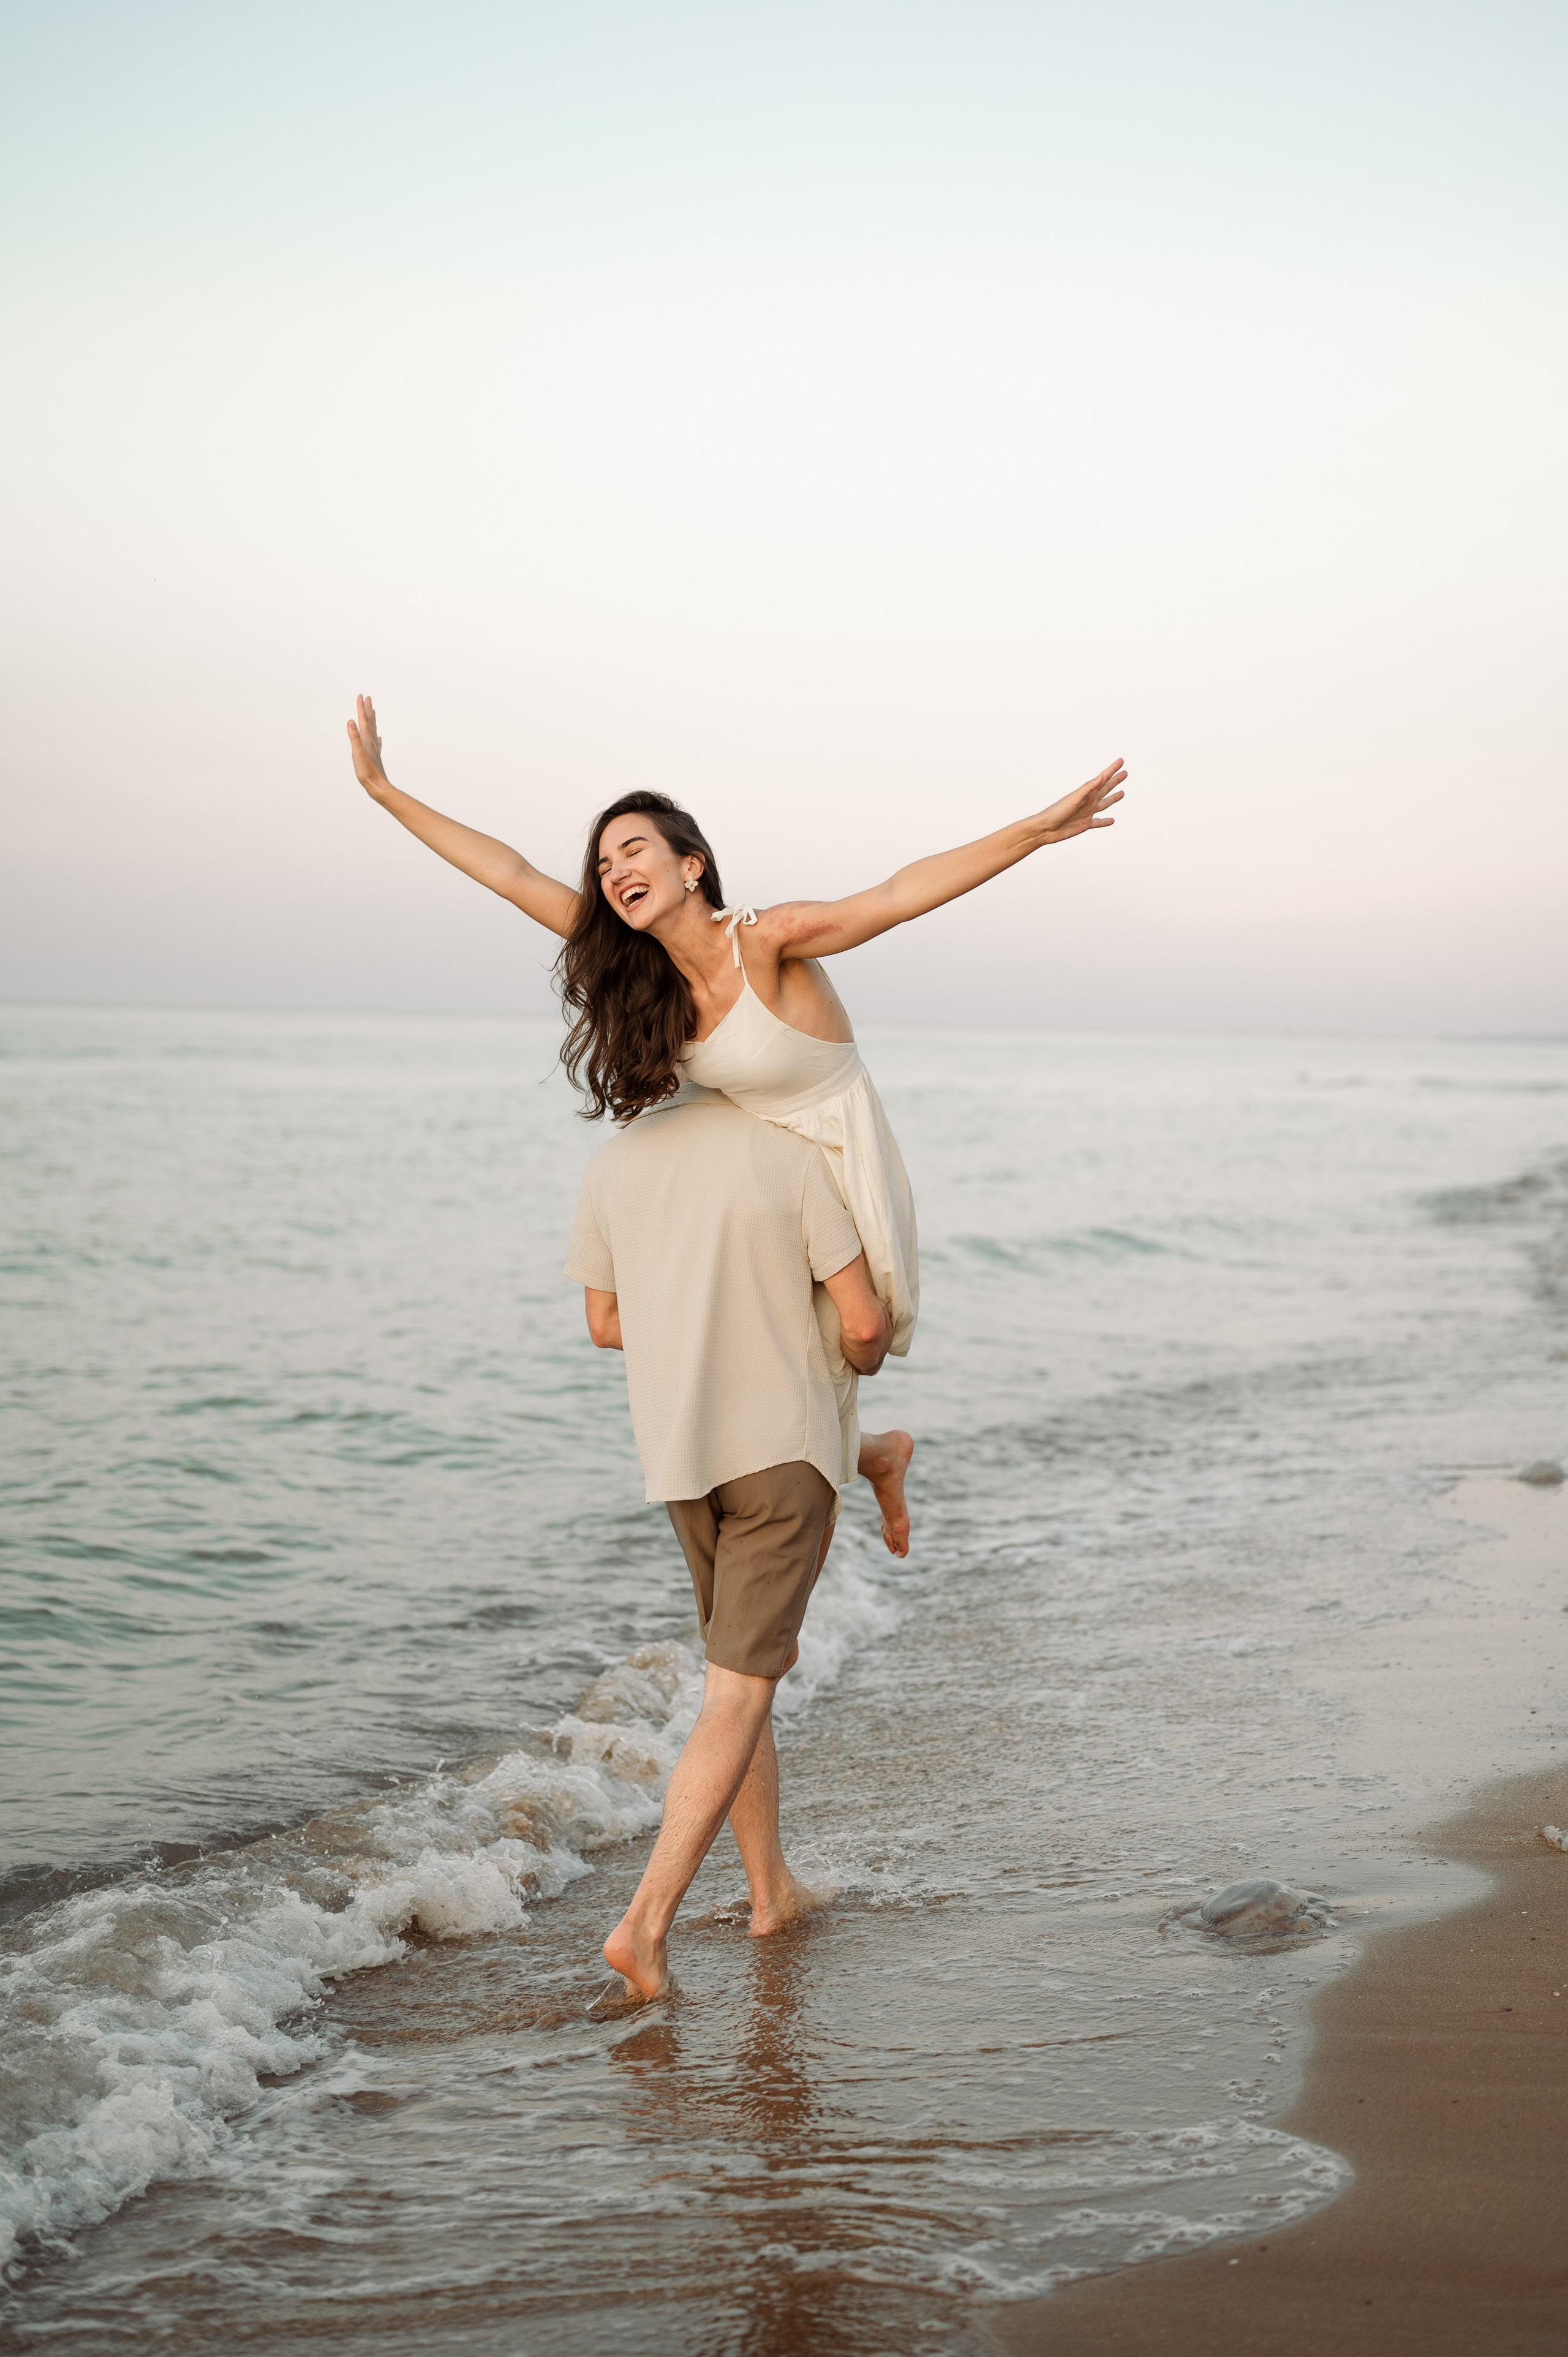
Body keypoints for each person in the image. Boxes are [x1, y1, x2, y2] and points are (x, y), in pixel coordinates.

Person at [346, 696, 1125, 1552]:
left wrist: (1036, 832)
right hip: (757, 1176)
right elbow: (510, 873)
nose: (612, 872)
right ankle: (866, 1464)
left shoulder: (767, 941)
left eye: (633, 850)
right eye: (603, 863)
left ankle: (871, 1457)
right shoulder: (636, 964)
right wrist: (385, 791)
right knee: (761, 1355)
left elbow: (899, 894)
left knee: (855, 1347)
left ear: (692, 866)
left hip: (835, 1157)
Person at [563, 1077, 895, 2001]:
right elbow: (865, 1326)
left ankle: (769, 1892)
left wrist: (703, 1326)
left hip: (684, 1459)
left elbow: (604, 1324)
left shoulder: (613, 1163)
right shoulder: (787, 1157)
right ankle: (645, 1926)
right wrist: (840, 1347)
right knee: (740, 1694)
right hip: (779, 1458)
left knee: (738, 1678)